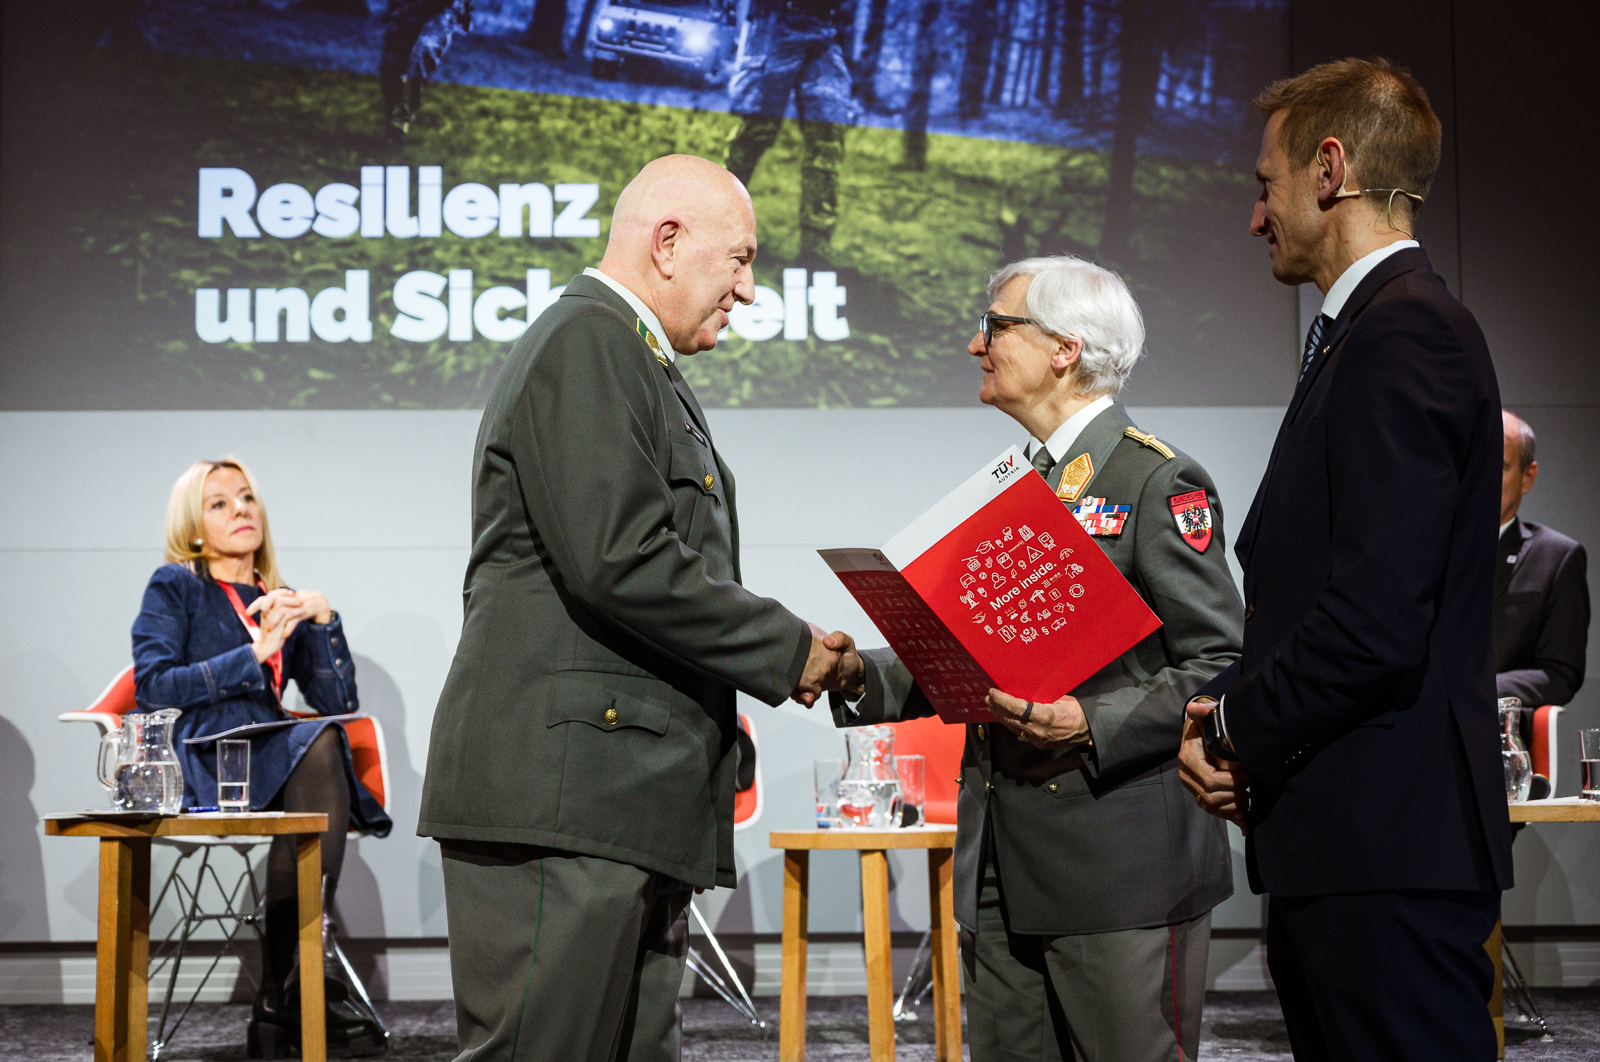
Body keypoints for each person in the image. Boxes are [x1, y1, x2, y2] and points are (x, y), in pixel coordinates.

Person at [417, 154, 862, 1062]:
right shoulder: (590, 341)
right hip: (567, 799)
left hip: (619, 802)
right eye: (737, 258)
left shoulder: (634, 356)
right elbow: (620, 559)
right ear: (667, 243)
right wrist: (790, 648)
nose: (747, 286)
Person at [1177, 58, 1513, 1061]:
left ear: (1329, 171)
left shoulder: (1404, 333)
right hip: (1354, 842)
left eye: (1262, 185)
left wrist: (1235, 725)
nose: (1254, 216)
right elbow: (1322, 598)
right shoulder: (1373, 331)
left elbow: (1372, 623)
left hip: (1388, 851)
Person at [832, 256, 1243, 1062]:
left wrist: (1088, 721)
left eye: (996, 325)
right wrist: (855, 673)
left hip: (1119, 872)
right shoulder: (1019, 481)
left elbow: (1220, 660)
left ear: (1065, 348)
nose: (974, 343)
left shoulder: (1156, 479)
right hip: (1001, 869)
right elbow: (967, 648)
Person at [131, 459, 391, 1059]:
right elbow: (154, 687)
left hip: (270, 757)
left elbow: (337, 702)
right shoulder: (175, 586)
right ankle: (299, 972)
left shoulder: (277, 598)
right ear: (194, 526)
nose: (241, 509)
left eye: (246, 497)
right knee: (318, 745)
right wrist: (256, 654)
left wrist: (323, 622)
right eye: (219, 503)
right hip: (207, 754)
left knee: (323, 737)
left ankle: (281, 991)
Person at [723, 0, 853, 265]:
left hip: (823, 28)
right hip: (775, 21)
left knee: (827, 136)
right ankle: (715, 227)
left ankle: (815, 250)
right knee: (756, 130)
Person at [1496, 410, 1589, 741]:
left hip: (1494, 732)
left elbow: (1560, 673)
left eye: (1500, 467)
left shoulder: (1557, 556)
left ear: (1527, 477)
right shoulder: (1428, 548)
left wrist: (1476, 687)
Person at [379, 0, 473, 138]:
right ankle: (399, 118)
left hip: (427, 18)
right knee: (410, 70)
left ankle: (398, 118)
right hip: (429, 19)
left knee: (404, 68)